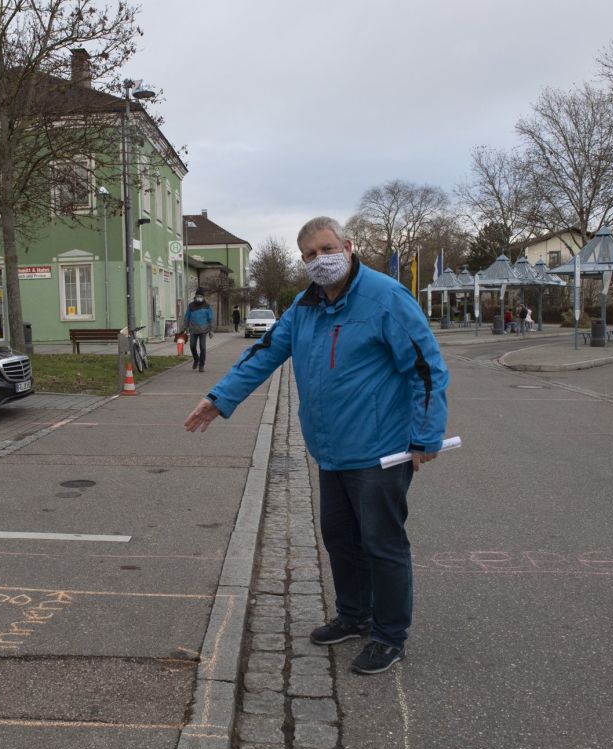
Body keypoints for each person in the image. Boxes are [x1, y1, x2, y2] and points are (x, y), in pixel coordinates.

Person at [184, 216, 449, 675]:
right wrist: (218, 398)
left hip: (380, 450)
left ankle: (389, 635)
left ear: (347, 246)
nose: (320, 260)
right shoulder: (304, 307)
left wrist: (426, 434)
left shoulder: (385, 297)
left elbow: (426, 368)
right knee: (340, 540)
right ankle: (354, 614)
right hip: (331, 450)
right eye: (309, 254)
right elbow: (264, 353)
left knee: (382, 544)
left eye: (327, 249)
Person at [181, 287, 214, 372]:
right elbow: (187, 317)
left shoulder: (207, 306)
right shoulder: (191, 306)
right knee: (192, 346)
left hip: (203, 330)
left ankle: (201, 365)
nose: (199, 297)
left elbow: (211, 319)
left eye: (200, 296)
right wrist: (184, 328)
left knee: (202, 347)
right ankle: (196, 359)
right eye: (197, 296)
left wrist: (211, 330)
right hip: (193, 330)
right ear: (195, 297)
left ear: (203, 297)